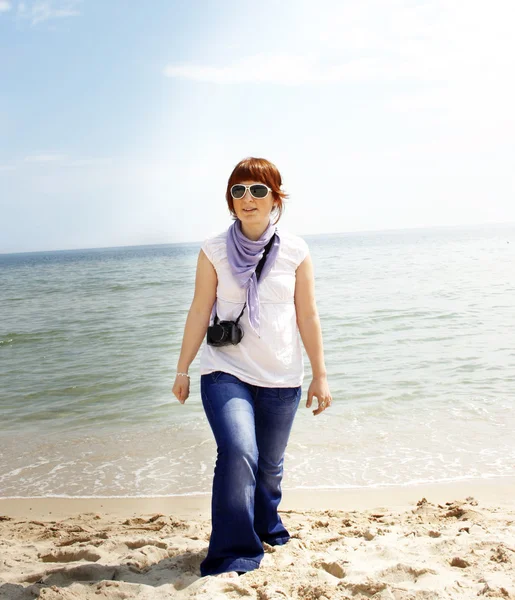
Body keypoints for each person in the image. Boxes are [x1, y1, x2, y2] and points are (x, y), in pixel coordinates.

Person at [172, 156, 332, 578]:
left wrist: (320, 374)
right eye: (239, 190)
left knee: (270, 465)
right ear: (230, 199)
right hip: (225, 371)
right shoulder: (212, 251)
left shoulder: (296, 251)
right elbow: (198, 310)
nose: (248, 198)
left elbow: (308, 315)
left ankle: (267, 524)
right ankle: (232, 552)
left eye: (258, 190)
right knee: (239, 451)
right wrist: (182, 368)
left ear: (275, 198)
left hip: (282, 375)